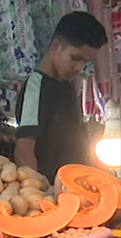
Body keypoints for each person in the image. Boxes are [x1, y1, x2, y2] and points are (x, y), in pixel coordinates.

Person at [14, 11, 109, 180]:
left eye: (85, 63)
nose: (79, 68)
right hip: (50, 190)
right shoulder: (35, 86)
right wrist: (36, 189)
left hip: (77, 185)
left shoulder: (68, 84)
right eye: (75, 58)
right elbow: (24, 148)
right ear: (56, 45)